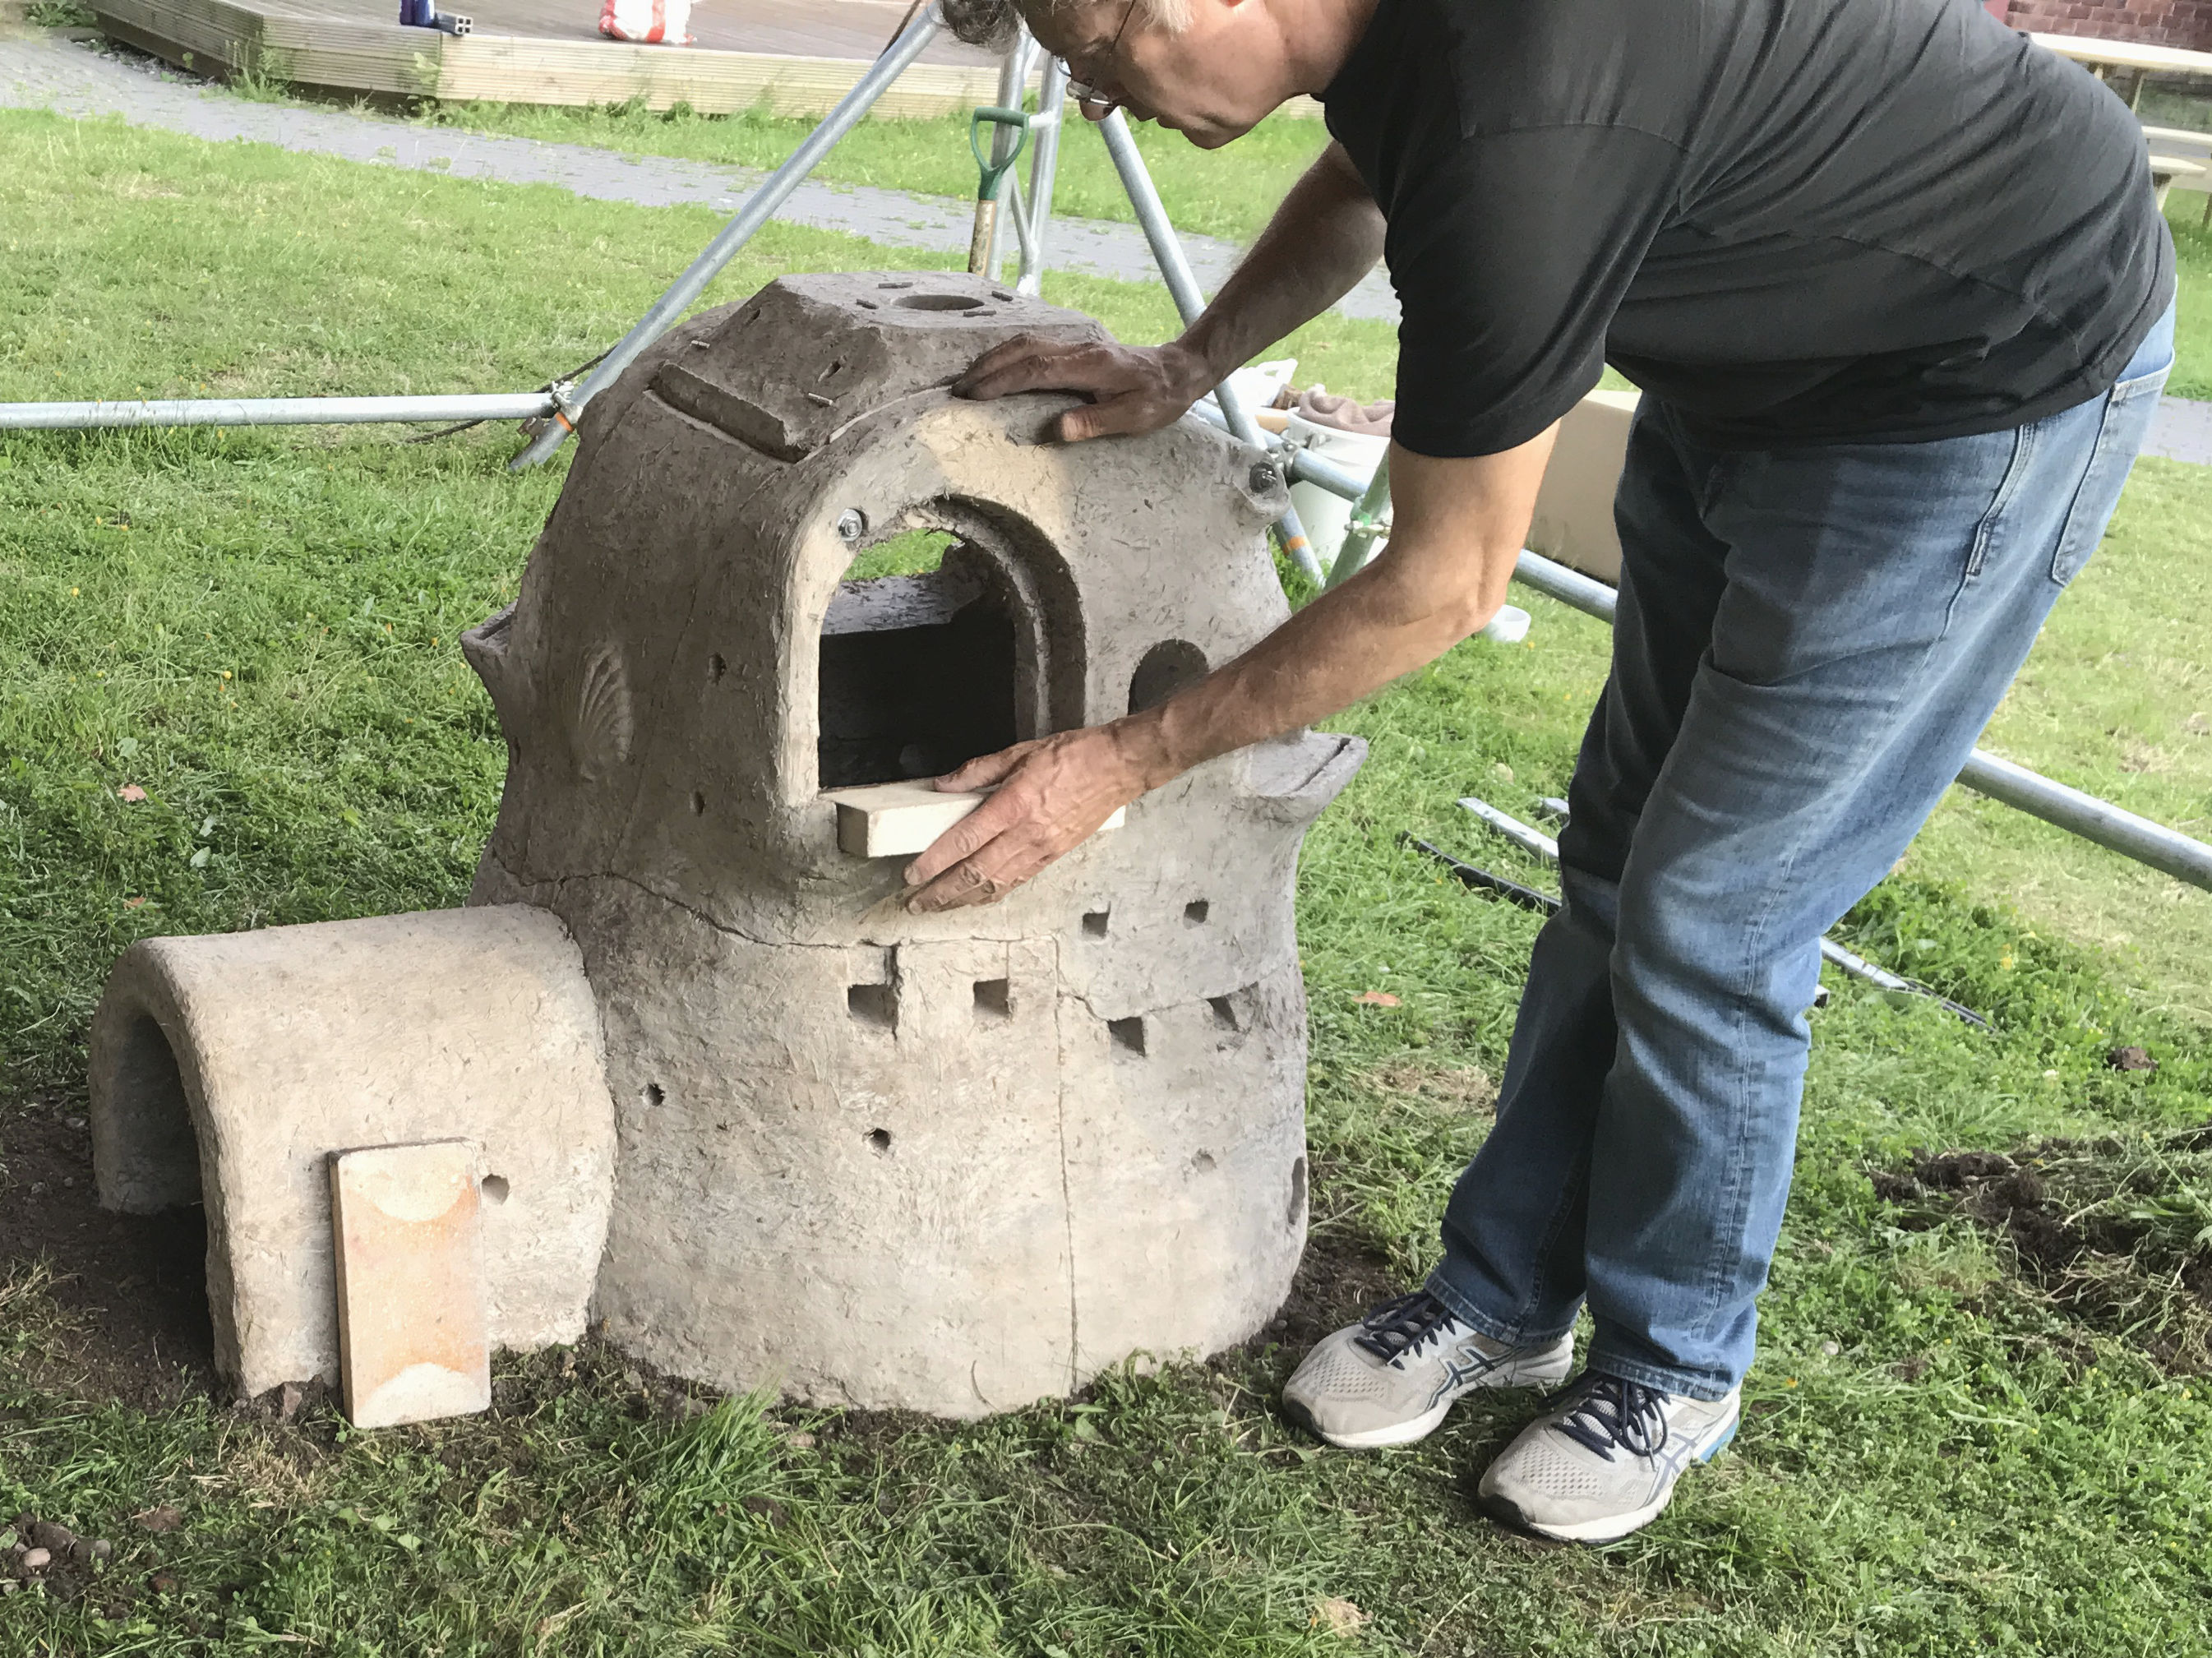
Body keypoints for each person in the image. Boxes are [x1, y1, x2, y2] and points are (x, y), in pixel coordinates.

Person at [911, 0, 2175, 1543]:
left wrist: (1123, 757)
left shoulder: (1527, 124)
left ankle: (1678, 1363)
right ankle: (1506, 1294)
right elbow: (1370, 175)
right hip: (1766, 363)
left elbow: (1446, 582)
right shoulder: (1404, 46)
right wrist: (1191, 360)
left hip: (1980, 382)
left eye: (1100, 56)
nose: (1100, 104)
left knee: (1715, 908)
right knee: (1613, 859)